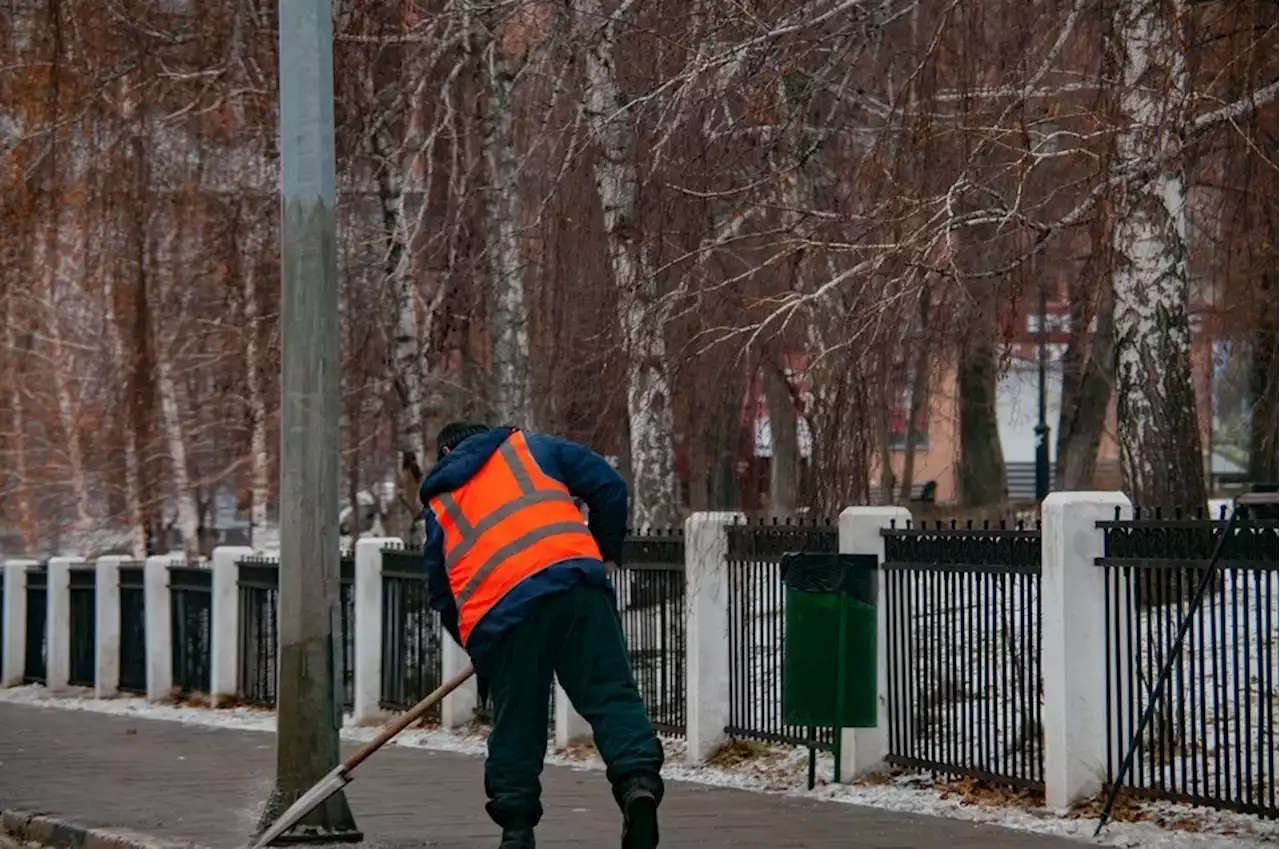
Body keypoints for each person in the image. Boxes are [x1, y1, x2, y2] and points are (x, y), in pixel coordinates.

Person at [420, 421, 665, 849]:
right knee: (610, 695)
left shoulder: (441, 502)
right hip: (575, 583)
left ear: (445, 455)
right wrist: (603, 556)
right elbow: (610, 487)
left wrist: (480, 649)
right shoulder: (529, 447)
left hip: (502, 614)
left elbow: (442, 595)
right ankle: (637, 784)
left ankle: (516, 830)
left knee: (518, 721)